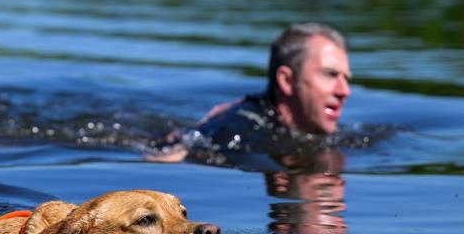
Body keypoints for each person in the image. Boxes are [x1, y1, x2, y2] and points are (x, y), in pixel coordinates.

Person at [147, 22, 352, 163]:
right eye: (330, 75)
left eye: (346, 78)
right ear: (287, 81)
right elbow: (169, 159)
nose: (345, 91)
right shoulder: (240, 131)